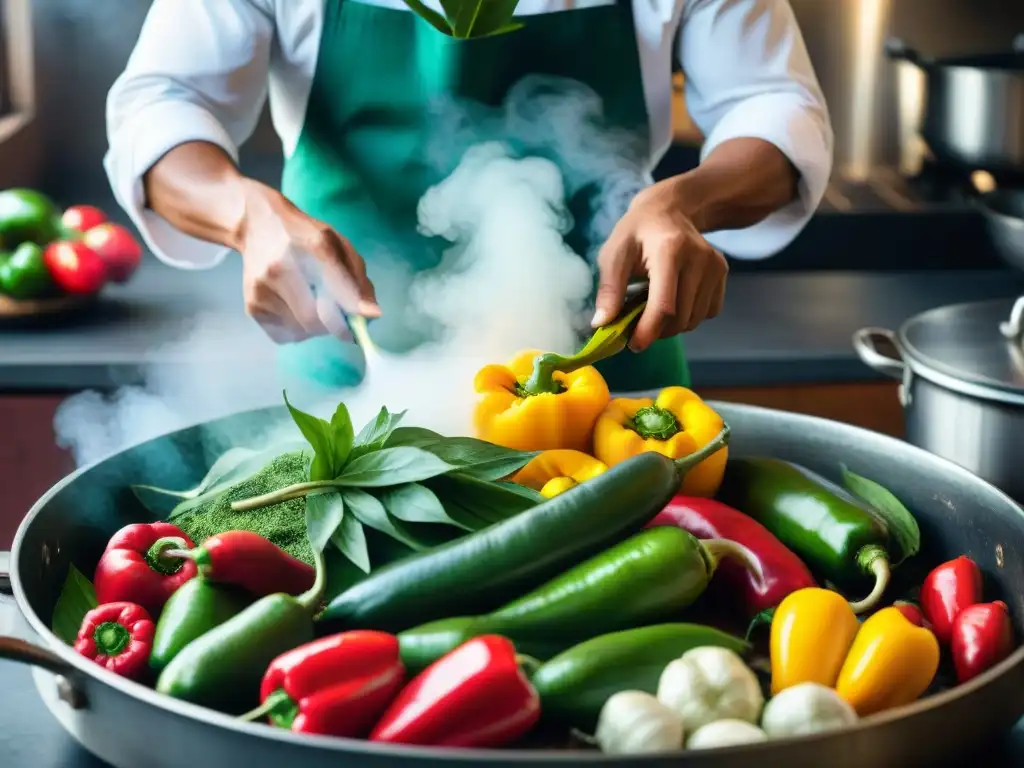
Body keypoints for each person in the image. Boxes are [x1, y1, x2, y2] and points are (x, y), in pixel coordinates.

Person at [105, 0, 832, 392]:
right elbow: (163, 103)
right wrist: (246, 216)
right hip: (346, 371)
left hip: (606, 387)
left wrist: (688, 202)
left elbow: (769, 103)